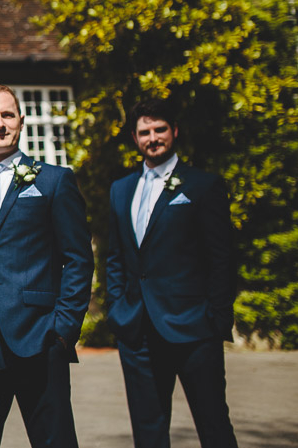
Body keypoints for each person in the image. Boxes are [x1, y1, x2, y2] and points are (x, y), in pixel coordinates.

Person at [0, 84, 93, 448]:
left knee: (54, 441)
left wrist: (63, 329)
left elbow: (77, 257)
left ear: (21, 122)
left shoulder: (53, 181)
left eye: (7, 115)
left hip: (39, 338)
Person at [106, 98, 238, 448]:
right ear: (135, 139)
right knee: (148, 433)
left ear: (174, 131)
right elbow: (116, 256)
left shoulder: (202, 186)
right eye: (144, 132)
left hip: (194, 329)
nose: (153, 138)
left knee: (214, 426)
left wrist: (216, 320)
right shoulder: (120, 189)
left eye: (160, 129)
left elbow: (222, 258)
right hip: (137, 332)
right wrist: (118, 308)